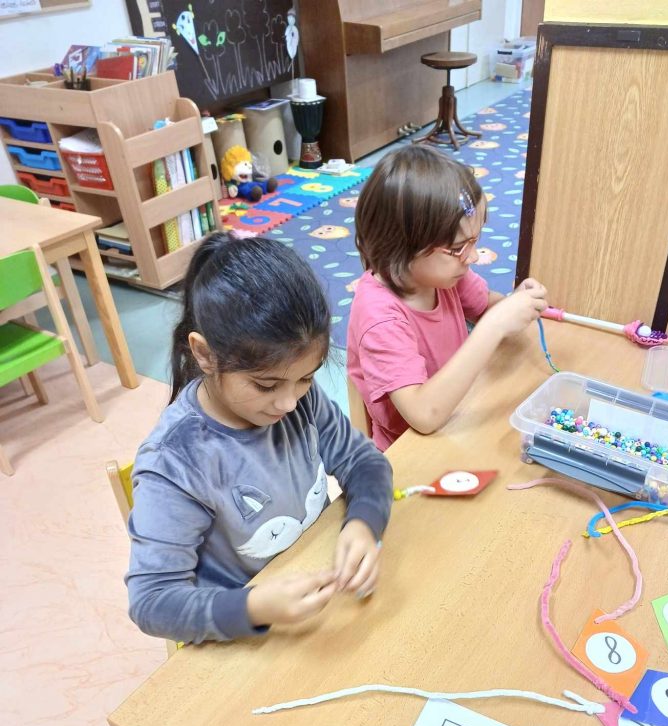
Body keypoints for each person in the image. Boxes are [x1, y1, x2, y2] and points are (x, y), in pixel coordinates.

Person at [126, 233, 393, 644]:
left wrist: (363, 523)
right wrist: (254, 607)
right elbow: (153, 602)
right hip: (248, 636)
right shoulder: (177, 461)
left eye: (306, 378)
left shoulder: (296, 397)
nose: (288, 402)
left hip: (317, 604)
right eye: (266, 385)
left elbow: (365, 462)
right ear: (205, 354)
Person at [347, 146, 548, 450]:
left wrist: (517, 304)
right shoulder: (380, 318)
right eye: (458, 248)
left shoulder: (442, 275)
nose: (473, 257)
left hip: (459, 417)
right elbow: (423, 415)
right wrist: (494, 325)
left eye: (474, 241)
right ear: (400, 246)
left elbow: (485, 306)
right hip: (409, 451)